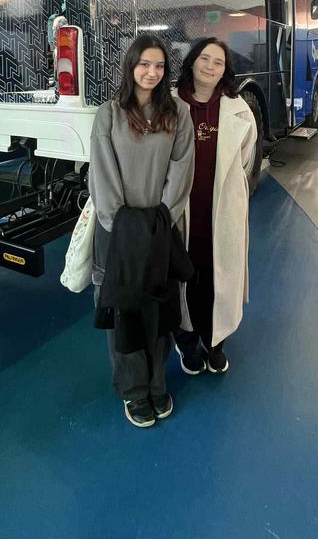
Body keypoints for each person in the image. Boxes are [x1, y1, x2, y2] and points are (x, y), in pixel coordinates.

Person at [88, 34, 195, 428]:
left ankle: (157, 383)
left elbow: (182, 168)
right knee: (125, 313)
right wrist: (125, 225)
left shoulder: (177, 112)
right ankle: (134, 391)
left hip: (161, 229)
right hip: (116, 234)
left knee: (160, 311)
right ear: (130, 66)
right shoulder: (109, 114)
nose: (152, 72)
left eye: (160, 66)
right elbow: (102, 175)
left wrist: (162, 218)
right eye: (144, 64)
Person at [174, 38, 257, 376]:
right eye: (204, 58)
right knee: (183, 277)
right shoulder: (170, 104)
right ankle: (187, 344)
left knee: (218, 277)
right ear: (192, 61)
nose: (210, 66)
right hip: (181, 210)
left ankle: (216, 343)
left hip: (222, 210)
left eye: (218, 62)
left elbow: (246, 159)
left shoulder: (238, 108)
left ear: (225, 70)